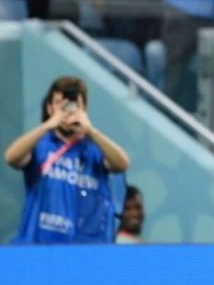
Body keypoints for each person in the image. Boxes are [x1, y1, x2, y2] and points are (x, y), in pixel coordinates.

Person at [3, 76, 130, 243]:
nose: (68, 111)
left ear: (84, 109)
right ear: (50, 108)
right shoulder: (39, 145)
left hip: (85, 251)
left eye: (74, 105)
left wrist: (90, 130)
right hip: (38, 246)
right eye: (61, 105)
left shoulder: (95, 149)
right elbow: (11, 157)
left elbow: (122, 164)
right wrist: (48, 125)